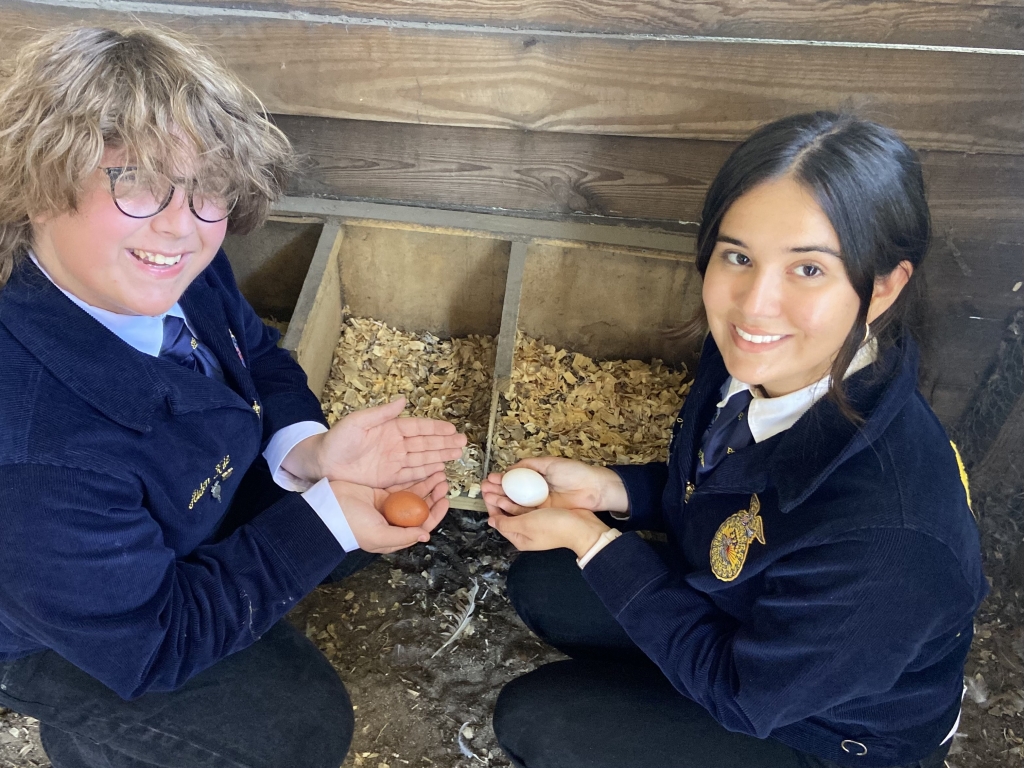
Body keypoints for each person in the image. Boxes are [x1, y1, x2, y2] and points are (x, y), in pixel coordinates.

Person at [0, 25, 466, 768]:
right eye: (137, 180)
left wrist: (309, 452)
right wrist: (322, 521)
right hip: (59, 629)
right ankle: (97, 738)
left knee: (348, 525)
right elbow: (154, 640)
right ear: (40, 181)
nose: (182, 225)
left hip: (146, 514)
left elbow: (258, 358)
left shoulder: (161, 271)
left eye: (207, 188)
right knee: (298, 729)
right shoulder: (34, 455)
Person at [482, 112, 987, 768]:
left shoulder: (889, 539)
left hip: (825, 731)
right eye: (738, 256)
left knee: (537, 719)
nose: (754, 304)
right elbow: (721, 490)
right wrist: (614, 490)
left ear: (884, 286)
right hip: (750, 609)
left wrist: (593, 539)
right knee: (544, 582)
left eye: (808, 270)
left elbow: (746, 696)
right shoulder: (756, 361)